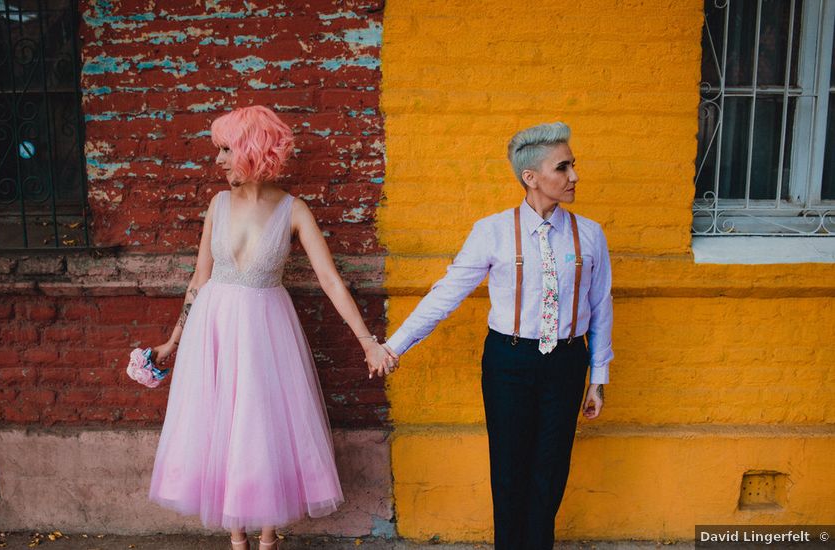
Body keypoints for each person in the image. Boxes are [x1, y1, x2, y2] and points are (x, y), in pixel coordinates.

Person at [146, 105, 394, 550]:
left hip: (265, 330)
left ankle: (267, 537)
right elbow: (199, 279)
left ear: (252, 150)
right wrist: (173, 340)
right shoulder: (217, 205)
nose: (218, 160)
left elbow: (331, 280)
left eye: (226, 149)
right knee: (218, 421)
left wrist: (367, 343)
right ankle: (237, 538)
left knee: (258, 424)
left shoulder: (294, 210)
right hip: (213, 328)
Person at [381, 122, 612, 549]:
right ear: (532, 177)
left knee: (551, 471)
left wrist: (598, 376)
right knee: (508, 472)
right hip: (509, 363)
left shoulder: (591, 235)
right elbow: (447, 292)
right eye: (563, 167)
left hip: (566, 362)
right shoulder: (492, 231)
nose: (574, 176)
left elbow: (601, 307)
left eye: (573, 165)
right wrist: (394, 345)